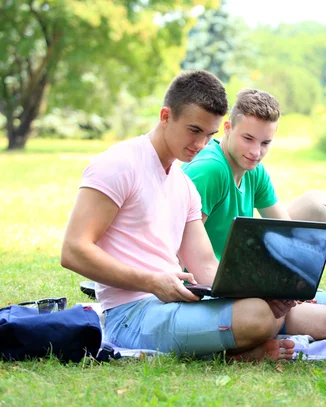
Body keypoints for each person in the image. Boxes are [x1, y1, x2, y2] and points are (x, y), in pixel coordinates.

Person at [61, 71, 297, 361]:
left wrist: (263, 291)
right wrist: (151, 281)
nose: (200, 143)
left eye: (209, 135)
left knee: (265, 311)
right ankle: (234, 355)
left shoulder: (183, 184)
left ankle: (236, 352)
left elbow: (206, 265)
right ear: (165, 116)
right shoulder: (119, 164)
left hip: (172, 303)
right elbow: (73, 250)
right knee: (259, 318)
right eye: (193, 130)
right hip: (128, 316)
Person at [181, 88, 326, 340]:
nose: (256, 152)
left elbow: (286, 230)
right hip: (206, 286)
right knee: (323, 321)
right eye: (248, 139)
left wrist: (286, 286)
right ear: (228, 128)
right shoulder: (210, 170)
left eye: (265, 143)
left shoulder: (254, 169)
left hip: (241, 272)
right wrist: (259, 293)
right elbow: (180, 250)